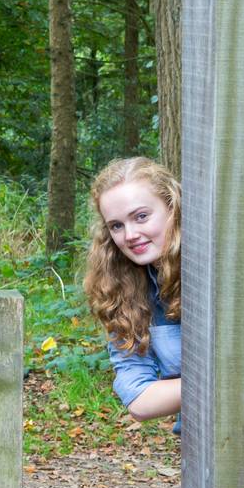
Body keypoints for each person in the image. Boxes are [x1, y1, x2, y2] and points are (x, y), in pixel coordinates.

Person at [82, 157, 182, 426]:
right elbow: (138, 398)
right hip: (202, 447)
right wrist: (219, 383)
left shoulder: (219, 273)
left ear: (173, 208)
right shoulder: (126, 289)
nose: (130, 235)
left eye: (141, 217)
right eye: (117, 225)